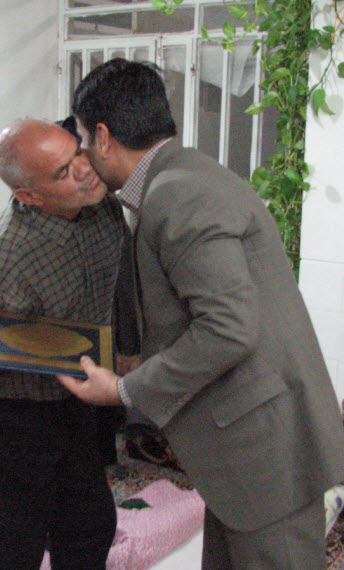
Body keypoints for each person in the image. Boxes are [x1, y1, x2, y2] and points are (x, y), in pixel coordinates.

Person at [57, 58, 344, 569]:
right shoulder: (183, 175)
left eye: (81, 141)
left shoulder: (178, 193)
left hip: (264, 452)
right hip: (245, 449)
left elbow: (228, 328)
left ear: (102, 137)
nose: (82, 157)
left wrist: (124, 389)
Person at [0, 118, 134, 570]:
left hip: (77, 399)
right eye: (63, 172)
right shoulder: (0, 268)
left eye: (78, 153)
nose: (84, 171)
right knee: (9, 551)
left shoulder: (102, 206)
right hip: (13, 415)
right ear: (29, 196)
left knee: (91, 526)